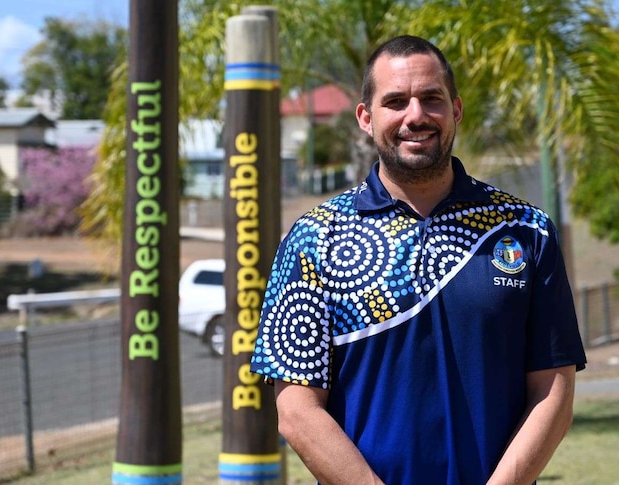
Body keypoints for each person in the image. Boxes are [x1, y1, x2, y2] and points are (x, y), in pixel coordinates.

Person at [250, 35, 587, 485]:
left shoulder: (525, 230)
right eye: (396, 101)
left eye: (432, 99)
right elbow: (295, 410)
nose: (416, 116)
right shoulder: (314, 238)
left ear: (456, 110)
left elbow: (553, 393)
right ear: (366, 118)